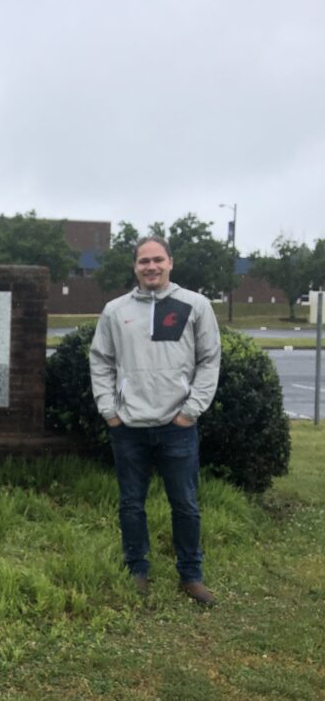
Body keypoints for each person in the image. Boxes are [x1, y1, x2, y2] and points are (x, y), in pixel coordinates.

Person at [89, 236, 221, 605]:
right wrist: (109, 410)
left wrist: (190, 412)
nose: (151, 267)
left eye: (157, 260)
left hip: (177, 426)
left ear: (170, 263)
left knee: (185, 504)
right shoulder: (115, 311)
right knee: (131, 503)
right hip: (128, 426)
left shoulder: (195, 305)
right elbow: (101, 360)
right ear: (135, 267)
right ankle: (137, 570)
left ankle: (191, 576)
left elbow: (209, 360)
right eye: (144, 261)